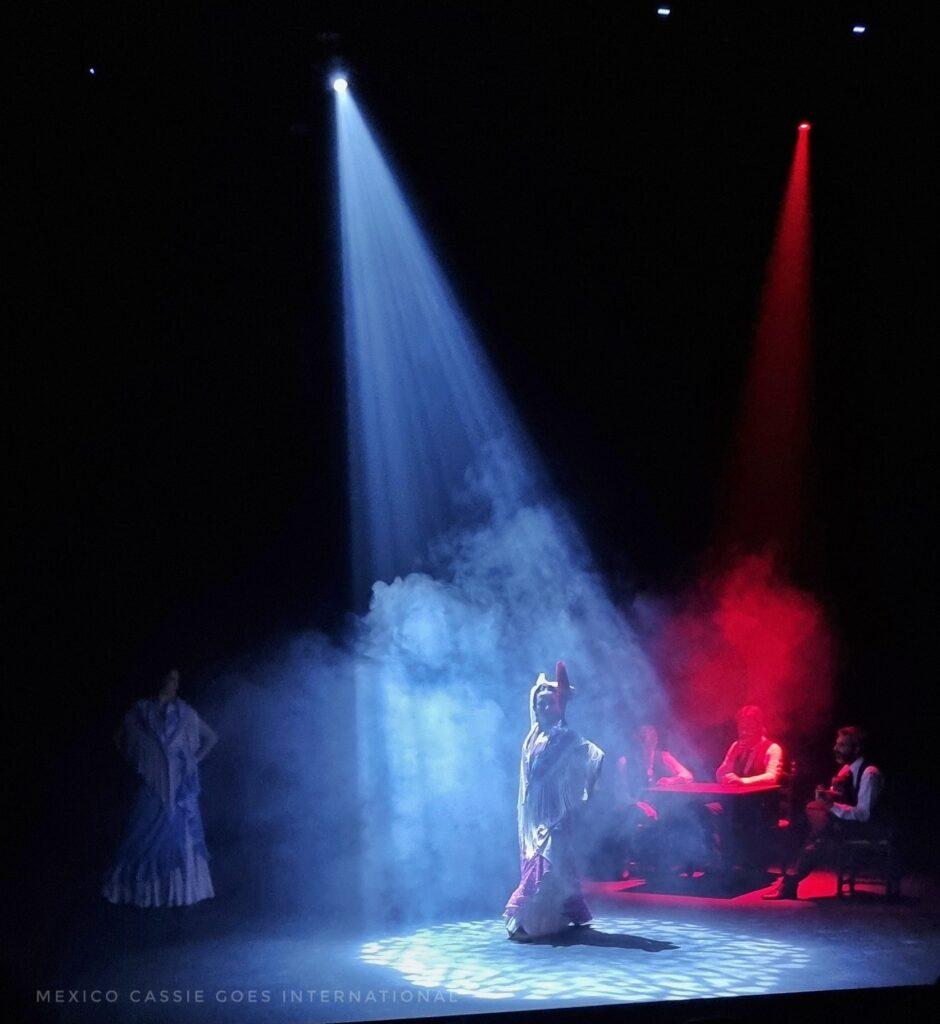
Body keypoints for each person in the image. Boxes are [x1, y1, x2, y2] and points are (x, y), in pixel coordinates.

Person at [504, 662, 605, 941]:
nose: (545, 709)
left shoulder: (565, 736)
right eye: (540, 705)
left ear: (558, 706)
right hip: (533, 810)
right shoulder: (533, 736)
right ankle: (565, 913)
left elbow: (589, 755)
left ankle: (528, 921)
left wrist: (569, 801)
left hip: (554, 811)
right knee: (555, 862)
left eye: (550, 704)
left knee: (546, 861)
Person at [102, 668, 218, 907]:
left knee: (180, 835)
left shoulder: (184, 713)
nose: (170, 682)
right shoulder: (141, 710)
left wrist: (193, 760)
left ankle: (180, 893)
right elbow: (119, 737)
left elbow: (211, 737)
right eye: (166, 677)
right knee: (142, 833)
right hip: (152, 783)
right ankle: (141, 893)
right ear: (158, 679)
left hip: (179, 786)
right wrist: (139, 762)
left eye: (175, 678)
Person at [763, 725, 884, 900]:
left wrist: (830, 805)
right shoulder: (846, 770)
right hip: (845, 824)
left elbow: (864, 814)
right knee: (814, 812)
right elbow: (838, 797)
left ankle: (790, 882)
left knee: (815, 818)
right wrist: (828, 795)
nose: (836, 749)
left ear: (856, 748)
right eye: (837, 744)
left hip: (869, 827)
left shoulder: (870, 773)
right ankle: (792, 880)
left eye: (842, 745)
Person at [701, 705, 783, 873]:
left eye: (749, 726)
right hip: (734, 804)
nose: (744, 731)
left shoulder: (772, 748)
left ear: (759, 726)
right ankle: (719, 861)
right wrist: (731, 759)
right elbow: (720, 776)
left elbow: (771, 776)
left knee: (734, 818)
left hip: (762, 806)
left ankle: (738, 865)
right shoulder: (735, 746)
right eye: (741, 727)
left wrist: (743, 781)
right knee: (701, 812)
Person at [611, 725, 692, 877]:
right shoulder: (624, 761)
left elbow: (687, 775)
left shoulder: (663, 757)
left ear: (654, 742)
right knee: (628, 819)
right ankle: (625, 863)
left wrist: (671, 780)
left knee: (683, 814)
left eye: (647, 744)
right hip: (632, 805)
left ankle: (670, 863)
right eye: (640, 744)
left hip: (660, 805)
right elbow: (621, 794)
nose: (643, 749)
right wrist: (640, 805)